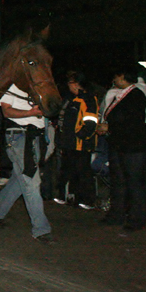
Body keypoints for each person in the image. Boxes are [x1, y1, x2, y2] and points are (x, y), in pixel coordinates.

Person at [0, 84, 55, 243]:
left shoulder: (37, 86)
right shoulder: (12, 86)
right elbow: (6, 111)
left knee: (21, 179)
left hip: (37, 135)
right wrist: (30, 112)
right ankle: (41, 229)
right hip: (19, 134)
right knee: (31, 181)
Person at [98, 66, 146, 231]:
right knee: (119, 181)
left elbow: (131, 121)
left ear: (123, 77)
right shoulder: (121, 95)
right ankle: (117, 214)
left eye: (116, 77)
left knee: (135, 182)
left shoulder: (136, 95)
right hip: (119, 144)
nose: (114, 80)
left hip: (133, 145)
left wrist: (108, 127)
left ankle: (137, 218)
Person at [54, 71, 99, 209]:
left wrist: (81, 135)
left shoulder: (88, 99)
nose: (69, 85)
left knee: (83, 172)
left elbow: (91, 122)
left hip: (81, 144)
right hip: (67, 143)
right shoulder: (70, 99)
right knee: (67, 170)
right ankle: (67, 196)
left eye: (71, 82)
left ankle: (87, 200)